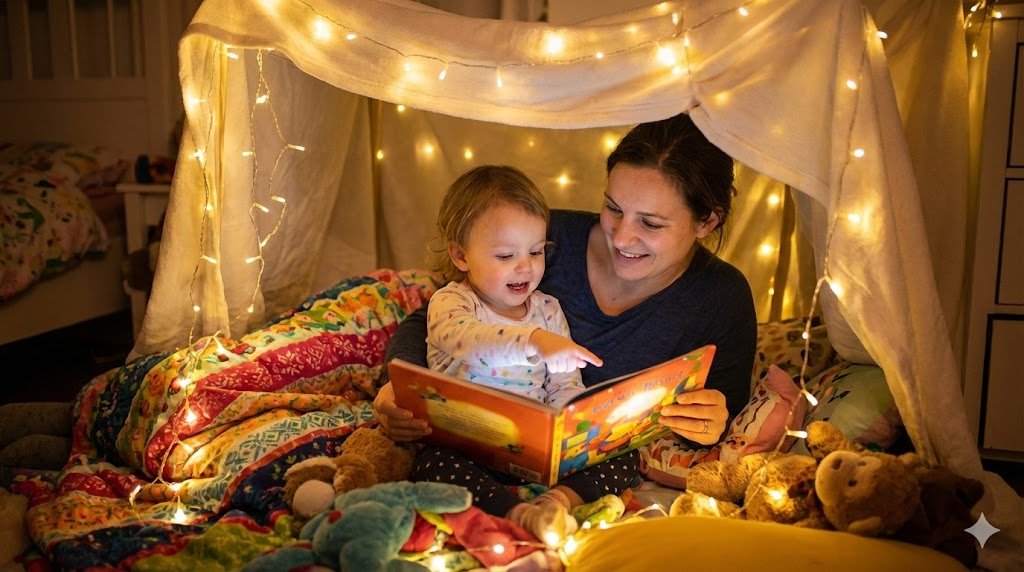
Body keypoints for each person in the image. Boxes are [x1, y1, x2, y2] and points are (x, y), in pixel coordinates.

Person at [375, 112, 757, 541]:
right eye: (613, 209)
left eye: (650, 223)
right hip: (477, 436)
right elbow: (430, 321)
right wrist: (396, 386)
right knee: (434, 463)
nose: (622, 237)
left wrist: (711, 420)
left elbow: (727, 411)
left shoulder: (722, 298)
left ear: (706, 222)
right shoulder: (541, 241)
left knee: (628, 462)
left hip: (578, 453)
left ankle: (551, 506)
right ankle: (515, 512)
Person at [426, 165, 601, 409]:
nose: (526, 267)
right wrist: (533, 340)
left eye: (535, 251)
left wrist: (570, 420)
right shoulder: (451, 302)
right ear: (461, 256)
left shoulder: (548, 310)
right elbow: (469, 342)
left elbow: (564, 385)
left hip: (527, 438)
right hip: (461, 433)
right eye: (506, 256)